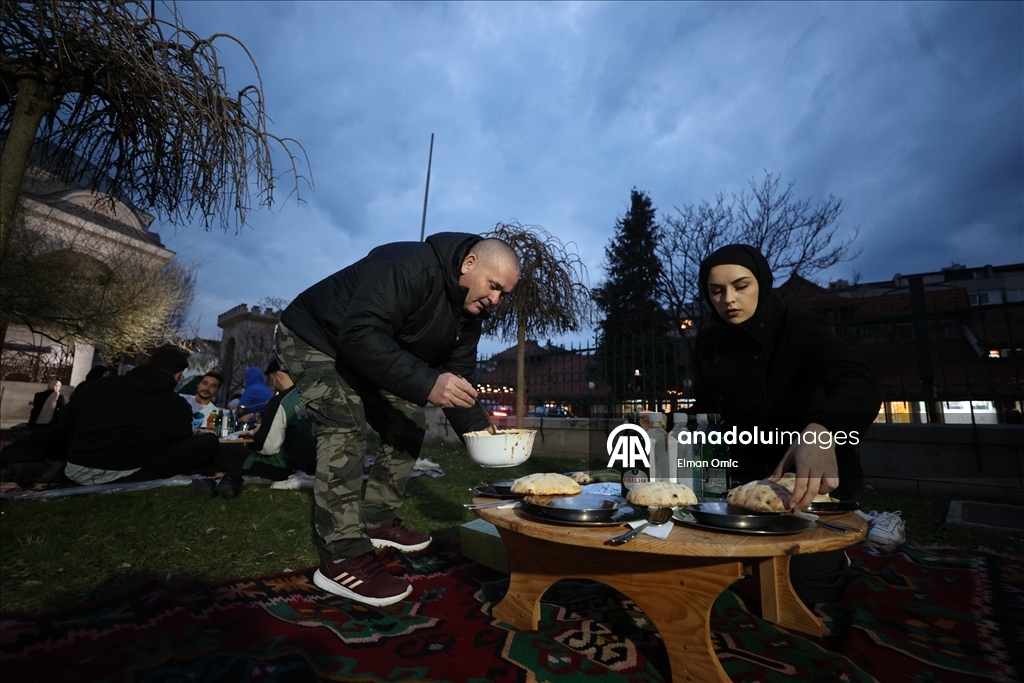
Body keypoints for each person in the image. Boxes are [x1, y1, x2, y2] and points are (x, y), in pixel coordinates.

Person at [277, 232, 519, 606]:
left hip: (368, 353)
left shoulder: (469, 319)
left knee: (407, 422)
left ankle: (376, 519)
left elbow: (458, 383)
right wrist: (428, 382)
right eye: (493, 286)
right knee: (345, 424)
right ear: (469, 264)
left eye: (504, 294)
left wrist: (490, 443)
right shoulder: (406, 264)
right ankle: (341, 557)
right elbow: (359, 333)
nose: (495, 300)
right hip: (314, 337)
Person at [692, 244, 883, 603]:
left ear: (762, 283)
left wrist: (823, 429)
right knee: (689, 566)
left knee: (800, 588)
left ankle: (834, 550)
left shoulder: (800, 326)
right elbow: (704, 413)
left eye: (741, 286)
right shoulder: (707, 342)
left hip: (809, 484)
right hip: (740, 481)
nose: (728, 299)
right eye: (717, 291)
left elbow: (860, 380)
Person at [61, 344, 220, 485]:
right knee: (208, 441)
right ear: (178, 375)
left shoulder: (100, 386)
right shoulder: (176, 405)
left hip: (75, 469)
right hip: (125, 475)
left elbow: (66, 421)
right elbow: (178, 446)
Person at [194, 359, 317, 499]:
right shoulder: (310, 396)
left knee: (222, 452)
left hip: (283, 467)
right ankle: (226, 480)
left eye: (272, 379)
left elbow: (267, 448)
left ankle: (215, 480)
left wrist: (257, 434)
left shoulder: (280, 401)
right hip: (311, 463)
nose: (273, 384)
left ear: (279, 375)